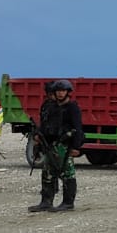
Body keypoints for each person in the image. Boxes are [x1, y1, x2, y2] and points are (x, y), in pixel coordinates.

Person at [29, 79, 83, 211]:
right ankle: (46, 202)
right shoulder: (51, 107)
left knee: (67, 174)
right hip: (50, 145)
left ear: (68, 92)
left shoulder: (72, 108)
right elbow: (45, 124)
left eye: (63, 91)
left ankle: (68, 203)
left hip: (64, 146)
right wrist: (38, 135)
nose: (60, 93)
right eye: (58, 91)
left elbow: (78, 128)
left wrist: (76, 147)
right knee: (47, 173)